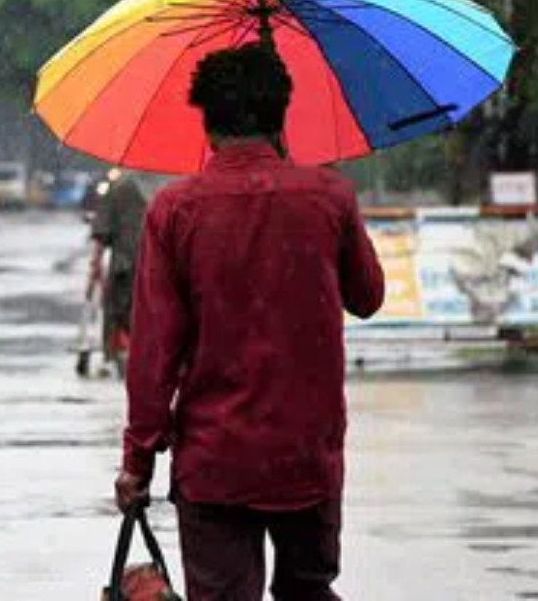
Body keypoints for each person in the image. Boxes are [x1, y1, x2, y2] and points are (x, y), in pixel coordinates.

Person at [113, 43, 385, 601]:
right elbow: (369, 296)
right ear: (281, 114)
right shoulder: (329, 195)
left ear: (206, 122)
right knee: (309, 590)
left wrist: (137, 460)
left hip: (215, 464)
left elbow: (154, 353)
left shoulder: (175, 210)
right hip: (308, 456)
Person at [84, 170, 148, 377]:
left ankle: (112, 356)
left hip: (127, 263)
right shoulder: (179, 182)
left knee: (116, 309)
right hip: (163, 265)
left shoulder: (122, 186)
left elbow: (102, 230)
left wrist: (95, 262)